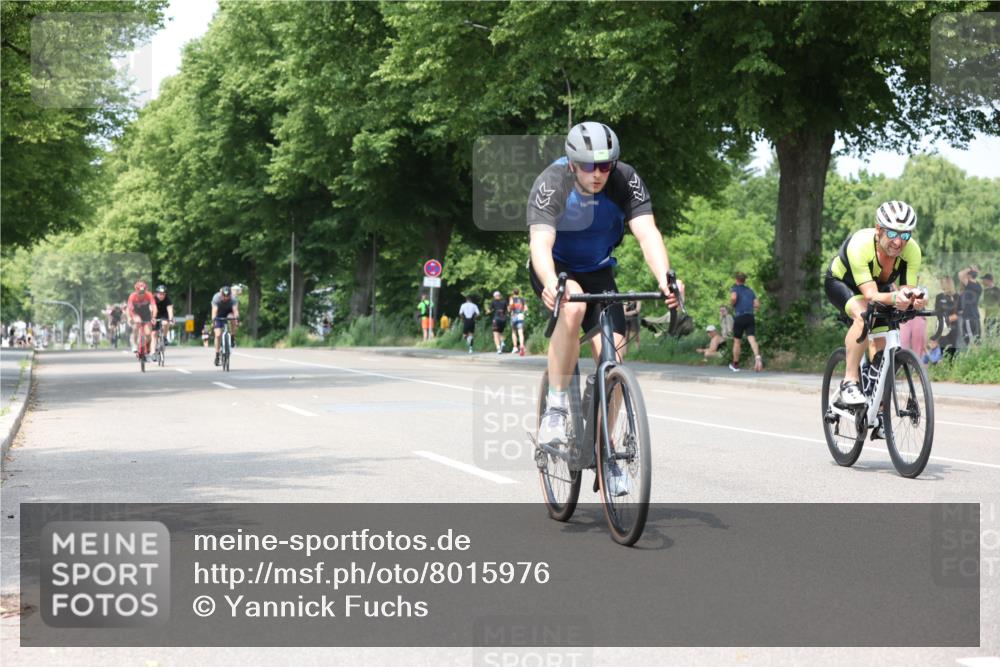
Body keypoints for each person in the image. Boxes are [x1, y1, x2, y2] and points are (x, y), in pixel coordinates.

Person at [527, 120, 681, 471]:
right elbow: (540, 242)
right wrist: (552, 281)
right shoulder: (552, 183)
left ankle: (602, 447)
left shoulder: (626, 180)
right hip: (557, 266)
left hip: (598, 270)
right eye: (587, 166)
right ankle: (555, 406)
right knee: (572, 309)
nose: (597, 174)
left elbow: (647, 232)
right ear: (571, 163)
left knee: (613, 356)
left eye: (604, 166)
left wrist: (665, 278)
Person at [824, 200, 927, 408]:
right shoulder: (860, 245)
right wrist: (896, 298)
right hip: (843, 283)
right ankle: (849, 382)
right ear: (879, 229)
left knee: (882, 348)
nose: (899, 242)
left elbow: (905, 290)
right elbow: (870, 295)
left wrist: (915, 300)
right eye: (892, 234)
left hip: (879, 288)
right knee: (863, 317)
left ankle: (877, 400)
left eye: (905, 235)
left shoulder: (912, 251)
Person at [728, 272, 763, 372]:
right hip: (750, 316)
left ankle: (735, 364)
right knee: (752, 338)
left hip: (740, 316)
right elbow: (757, 305)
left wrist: (732, 305)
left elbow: (733, 298)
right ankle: (757, 357)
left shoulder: (735, 289)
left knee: (737, 341)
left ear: (736, 280)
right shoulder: (750, 291)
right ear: (744, 280)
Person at [126, 281, 157, 356]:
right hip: (135, 313)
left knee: (148, 334)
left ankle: (146, 347)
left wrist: (154, 317)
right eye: (140, 292)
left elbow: (154, 307)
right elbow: (128, 309)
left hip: (146, 314)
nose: (142, 294)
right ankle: (134, 344)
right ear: (136, 291)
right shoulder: (132, 296)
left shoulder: (149, 295)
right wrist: (129, 318)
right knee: (137, 322)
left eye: (143, 292)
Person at [211, 285, 240, 366]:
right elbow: (214, 311)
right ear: (221, 294)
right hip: (219, 314)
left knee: (232, 318)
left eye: (227, 296)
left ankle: (232, 337)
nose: (226, 298)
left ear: (230, 295)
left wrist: (237, 319)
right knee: (218, 334)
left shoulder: (233, 299)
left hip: (229, 312)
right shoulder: (216, 298)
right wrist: (213, 321)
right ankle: (217, 355)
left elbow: (235, 310)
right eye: (224, 296)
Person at [957, 266, 982, 344]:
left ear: (969, 275)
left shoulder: (969, 284)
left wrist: (970, 268)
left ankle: (973, 356)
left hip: (968, 317)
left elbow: (960, 274)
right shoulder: (979, 286)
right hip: (976, 317)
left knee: (970, 343)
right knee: (978, 342)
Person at [151, 285, 174, 362]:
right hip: (155, 314)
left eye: (163, 294)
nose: (162, 295)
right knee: (154, 334)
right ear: (157, 293)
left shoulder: (167, 299)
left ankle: (164, 337)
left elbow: (170, 310)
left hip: (164, 314)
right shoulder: (153, 299)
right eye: (160, 293)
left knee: (165, 323)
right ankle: (153, 353)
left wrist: (171, 319)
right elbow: (151, 309)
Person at [508, 288, 527, 356]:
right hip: (521, 315)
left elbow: (510, 306)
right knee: (520, 332)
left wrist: (509, 309)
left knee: (513, 331)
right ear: (518, 292)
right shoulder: (522, 299)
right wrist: (524, 313)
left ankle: (515, 347)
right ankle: (522, 345)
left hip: (514, 315)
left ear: (513, 292)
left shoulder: (512, 298)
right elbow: (526, 308)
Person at [981, 273, 1000, 338]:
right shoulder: (985, 291)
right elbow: (985, 304)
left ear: (988, 280)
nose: (982, 281)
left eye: (984, 279)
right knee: (988, 336)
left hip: (996, 317)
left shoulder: (997, 290)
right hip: (987, 317)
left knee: (996, 336)